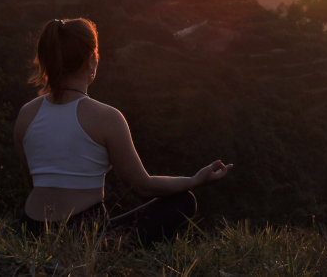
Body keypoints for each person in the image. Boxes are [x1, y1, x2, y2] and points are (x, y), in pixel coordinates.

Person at [14, 18, 232, 243]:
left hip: (31, 232)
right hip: (84, 236)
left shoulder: (26, 115)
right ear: (91, 61)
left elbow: (34, 183)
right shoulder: (106, 118)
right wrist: (195, 180)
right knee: (184, 202)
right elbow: (141, 186)